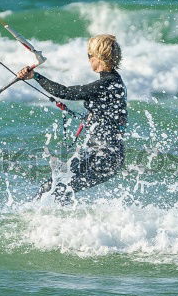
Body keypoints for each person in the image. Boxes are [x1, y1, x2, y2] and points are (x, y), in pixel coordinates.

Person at [16, 34, 127, 203]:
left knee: (57, 188)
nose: (89, 60)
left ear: (99, 57)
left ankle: (57, 225)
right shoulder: (114, 82)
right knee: (54, 187)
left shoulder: (107, 84)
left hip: (105, 158)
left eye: (89, 56)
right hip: (101, 154)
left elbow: (66, 92)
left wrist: (36, 77)